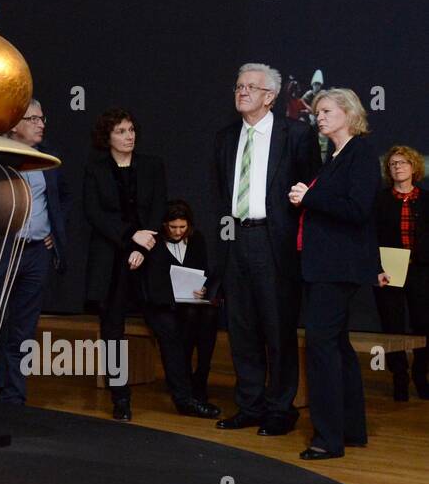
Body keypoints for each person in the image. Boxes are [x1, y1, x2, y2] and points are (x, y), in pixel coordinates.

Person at [211, 63, 320, 437]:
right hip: (235, 240)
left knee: (278, 329)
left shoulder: (297, 135)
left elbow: (312, 190)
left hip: (276, 244)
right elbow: (218, 197)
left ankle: (280, 408)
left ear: (270, 97)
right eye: (239, 86)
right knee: (241, 329)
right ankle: (250, 405)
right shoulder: (226, 137)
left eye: (251, 87)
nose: (241, 92)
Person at [289, 88, 379, 460]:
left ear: (348, 112)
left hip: (336, 268)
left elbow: (357, 209)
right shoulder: (337, 156)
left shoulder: (359, 153)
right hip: (326, 265)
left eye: (326, 111)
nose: (319, 117)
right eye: (317, 112)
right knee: (337, 347)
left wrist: (309, 197)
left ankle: (327, 439)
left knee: (322, 347)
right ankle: (351, 430)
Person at [0, 99, 70, 404]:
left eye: (43, 119)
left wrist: (53, 232)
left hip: (36, 254)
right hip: (1, 251)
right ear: (15, 124)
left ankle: (13, 395)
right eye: (35, 119)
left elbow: (62, 199)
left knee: (24, 328)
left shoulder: (48, 159)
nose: (42, 124)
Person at [82, 108, 167, 421]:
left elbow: (158, 208)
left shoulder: (152, 166)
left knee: (166, 325)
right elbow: (94, 213)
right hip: (111, 259)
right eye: (120, 131)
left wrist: (142, 249)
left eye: (131, 130)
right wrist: (132, 238)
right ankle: (121, 399)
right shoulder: (95, 169)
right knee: (112, 330)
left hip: (147, 254)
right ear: (107, 137)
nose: (128, 136)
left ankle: (185, 396)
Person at [145, 200, 220, 415]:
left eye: (182, 227)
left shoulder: (197, 240)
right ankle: (186, 384)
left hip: (191, 302)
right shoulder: (155, 242)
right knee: (184, 320)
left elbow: (203, 272)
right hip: (163, 304)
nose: (178, 232)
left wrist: (203, 289)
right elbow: (152, 282)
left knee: (209, 315)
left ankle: (201, 376)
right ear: (164, 225)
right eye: (173, 227)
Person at [374, 145, 429, 401]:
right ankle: (399, 377)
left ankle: (421, 375)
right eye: (393, 163)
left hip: (421, 270)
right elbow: (369, 237)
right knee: (392, 327)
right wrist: (375, 269)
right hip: (389, 269)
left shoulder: (426, 199)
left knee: (423, 325)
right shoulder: (380, 200)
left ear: (414, 167)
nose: (398, 167)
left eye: (403, 162)